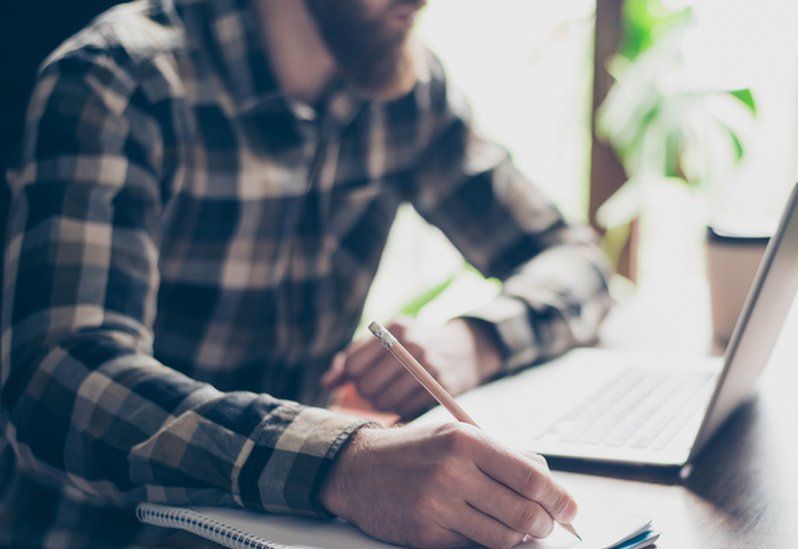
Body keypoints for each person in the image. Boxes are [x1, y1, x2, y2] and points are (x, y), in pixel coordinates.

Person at [0, 0, 613, 546]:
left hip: (288, 530)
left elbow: (575, 260)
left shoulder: (406, 87)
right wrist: (341, 464)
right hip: (102, 532)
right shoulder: (118, 80)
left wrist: (474, 340)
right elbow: (56, 381)